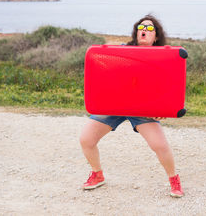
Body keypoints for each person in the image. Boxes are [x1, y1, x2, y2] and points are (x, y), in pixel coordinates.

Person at [79, 14, 184, 198]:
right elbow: (104, 69)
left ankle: (174, 179)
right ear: (136, 32)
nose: (144, 30)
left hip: (143, 108)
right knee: (86, 140)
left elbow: (168, 87)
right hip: (115, 105)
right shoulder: (122, 51)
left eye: (150, 28)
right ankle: (97, 175)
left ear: (156, 36)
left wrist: (162, 109)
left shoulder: (162, 59)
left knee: (159, 145)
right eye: (141, 27)